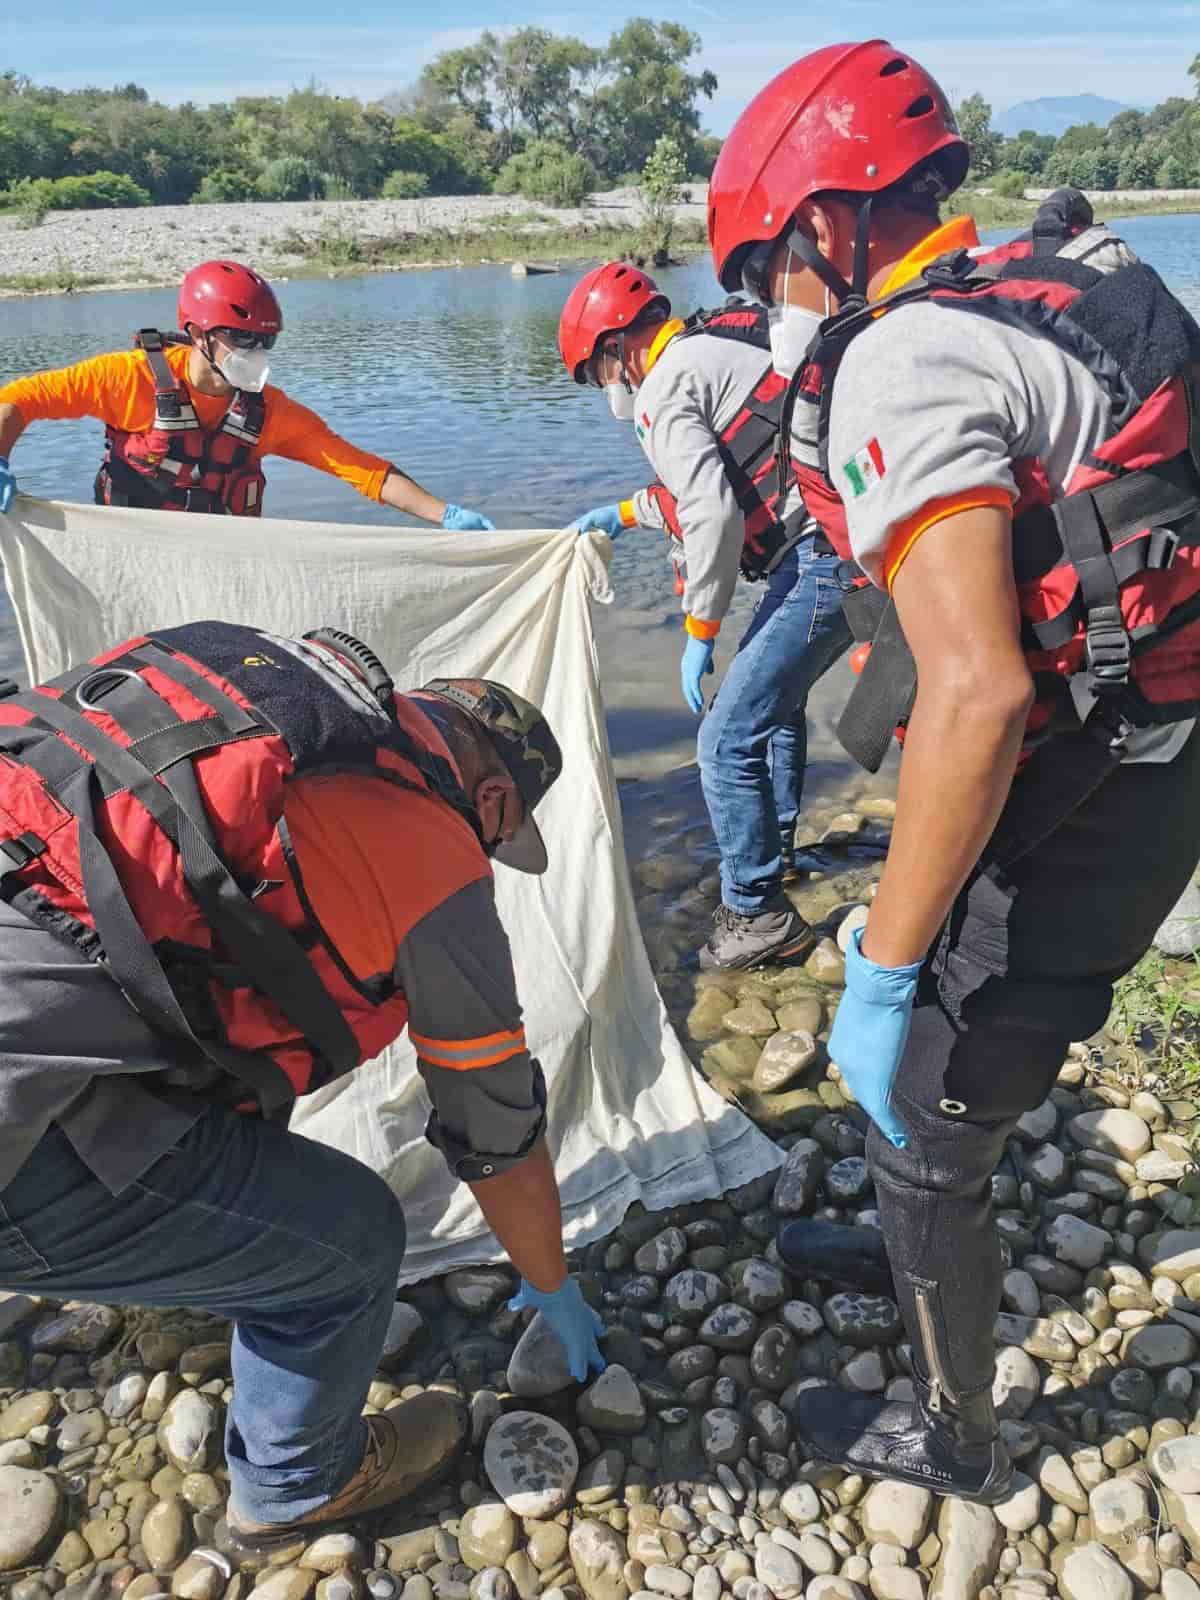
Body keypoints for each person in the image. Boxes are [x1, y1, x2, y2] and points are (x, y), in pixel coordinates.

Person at [708, 39, 1200, 1501]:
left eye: (759, 279)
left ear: (814, 227)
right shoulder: (1032, 290)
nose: (765, 313)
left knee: (927, 1090)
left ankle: (958, 1436)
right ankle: (914, 1215)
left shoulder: (906, 358)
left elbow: (980, 695)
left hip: (1101, 775)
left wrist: (874, 967)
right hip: (1147, 741)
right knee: (925, 1014)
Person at [0, 621, 601, 1551]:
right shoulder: (430, 850)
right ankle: (294, 1488)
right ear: (490, 796)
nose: (486, 854)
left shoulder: (221, 692)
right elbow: (496, 1133)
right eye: (499, 832)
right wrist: (551, 1285)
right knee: (357, 1243)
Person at [559, 262, 851, 970]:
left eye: (598, 376)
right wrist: (626, 513)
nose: (608, 392)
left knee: (724, 740)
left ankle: (755, 913)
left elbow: (713, 514)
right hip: (847, 535)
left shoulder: (662, 387)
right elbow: (735, 469)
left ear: (615, 350)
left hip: (825, 559)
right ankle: (773, 853)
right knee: (772, 711)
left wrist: (700, 631)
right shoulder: (714, 347)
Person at [0, 258, 493, 529]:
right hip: (135, 548)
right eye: (243, 338)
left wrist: (444, 514)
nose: (256, 351)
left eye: (267, 340)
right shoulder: (127, 379)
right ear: (198, 334)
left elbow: (363, 471)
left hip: (223, 555)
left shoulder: (271, 413)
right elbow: (19, 400)